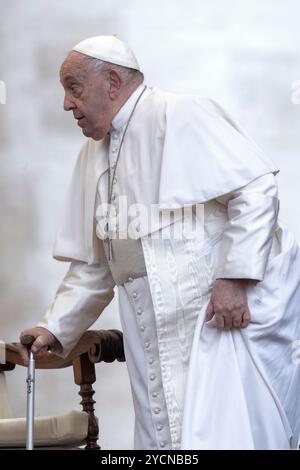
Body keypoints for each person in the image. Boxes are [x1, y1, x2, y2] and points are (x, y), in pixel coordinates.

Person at [19, 35, 300, 450]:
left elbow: (256, 190)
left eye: (73, 87)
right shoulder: (92, 155)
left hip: (213, 322)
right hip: (151, 328)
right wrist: (55, 327)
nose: (66, 104)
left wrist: (234, 278)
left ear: (112, 81)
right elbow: (98, 265)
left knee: (223, 435)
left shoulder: (179, 113)